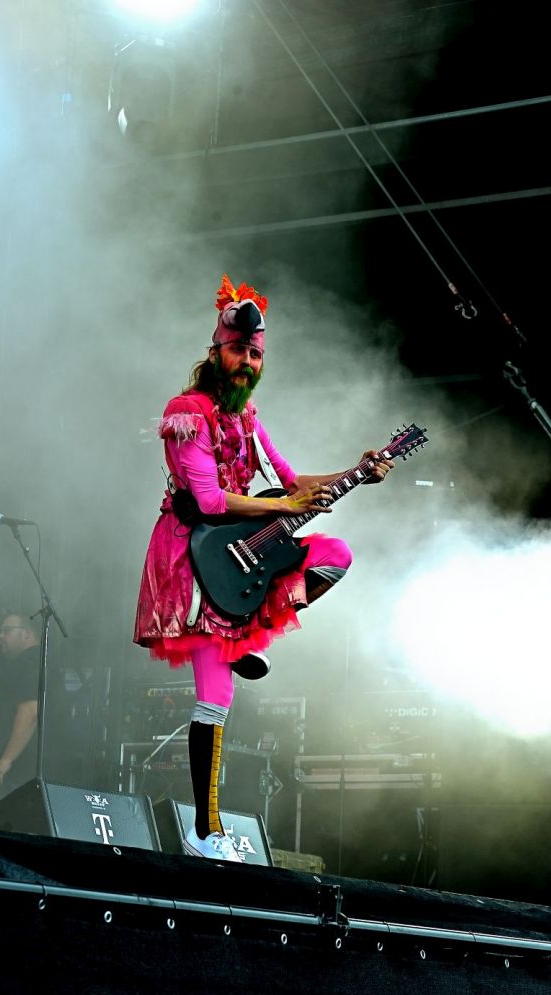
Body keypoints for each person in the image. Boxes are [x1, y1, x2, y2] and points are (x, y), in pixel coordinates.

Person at [133, 274, 393, 861]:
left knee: (335, 556)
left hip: (242, 551)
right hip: (194, 560)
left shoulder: (248, 417)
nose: (247, 363)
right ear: (215, 352)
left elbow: (294, 482)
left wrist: (357, 472)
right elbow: (209, 502)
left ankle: (250, 633)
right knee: (215, 698)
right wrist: (282, 506)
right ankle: (205, 833)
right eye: (238, 351)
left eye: (255, 355)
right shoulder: (187, 413)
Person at [0, 613, 40, 808]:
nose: (0, 636)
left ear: (27, 634)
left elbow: (30, 711)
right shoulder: (36, 663)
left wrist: (6, 759)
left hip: (17, 773)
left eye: (6, 631)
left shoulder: (29, 663)